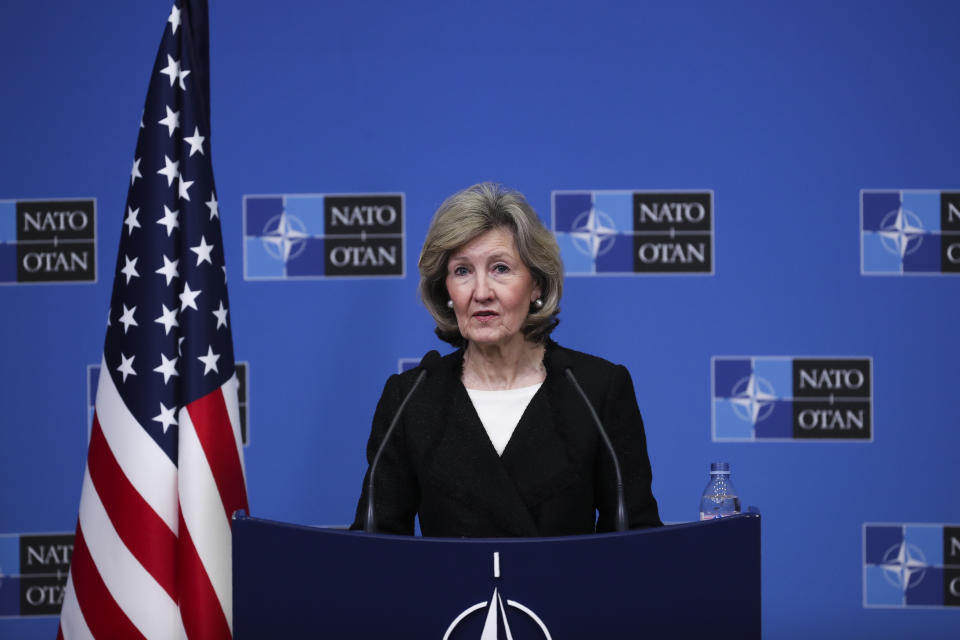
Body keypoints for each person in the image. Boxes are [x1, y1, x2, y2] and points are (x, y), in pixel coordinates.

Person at [351, 182, 661, 536]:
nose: (481, 292)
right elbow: (376, 550)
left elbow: (636, 540)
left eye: (500, 268)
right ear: (446, 290)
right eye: (462, 271)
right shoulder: (410, 399)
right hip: (453, 592)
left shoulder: (596, 390)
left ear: (537, 285)